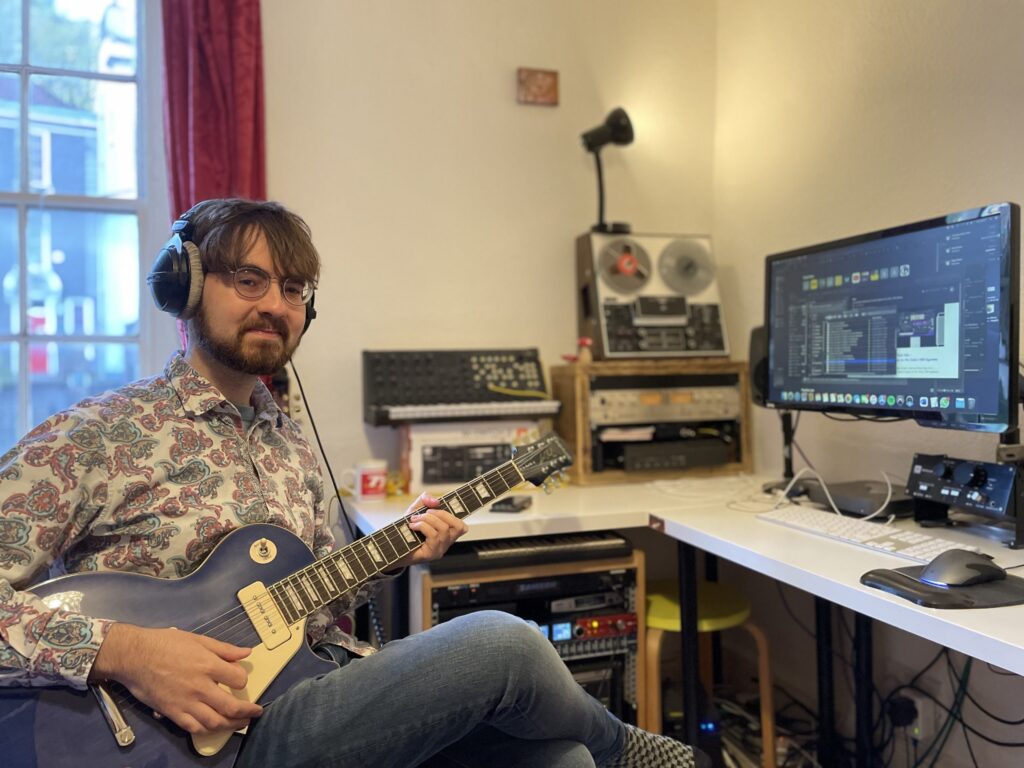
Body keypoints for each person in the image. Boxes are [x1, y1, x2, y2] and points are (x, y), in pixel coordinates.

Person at [0, 198, 709, 768]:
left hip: (312, 697)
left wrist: (398, 554)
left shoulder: (290, 442)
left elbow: (309, 614)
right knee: (505, 643)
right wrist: (130, 651)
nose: (276, 304)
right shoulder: (99, 434)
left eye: (294, 288)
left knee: (559, 759)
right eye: (249, 279)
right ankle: (633, 751)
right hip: (193, 742)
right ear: (183, 287)